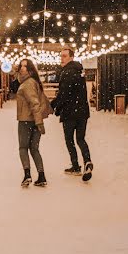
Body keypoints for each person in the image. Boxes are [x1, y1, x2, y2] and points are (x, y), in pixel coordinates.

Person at [50, 47, 93, 182]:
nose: (61, 58)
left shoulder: (68, 72)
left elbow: (64, 94)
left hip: (70, 113)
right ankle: (87, 161)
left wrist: (53, 106)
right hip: (82, 112)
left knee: (70, 140)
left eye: (64, 56)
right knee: (80, 139)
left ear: (71, 57)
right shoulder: (79, 71)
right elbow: (75, 93)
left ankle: (75, 167)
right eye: (61, 56)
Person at [16, 58, 52, 188]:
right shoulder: (33, 82)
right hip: (34, 121)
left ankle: (27, 175)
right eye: (21, 65)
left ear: (30, 69)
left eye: (24, 66)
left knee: (23, 148)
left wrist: (39, 122)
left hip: (26, 121)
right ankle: (41, 176)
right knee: (34, 148)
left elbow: (35, 103)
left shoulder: (27, 84)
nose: (22, 68)